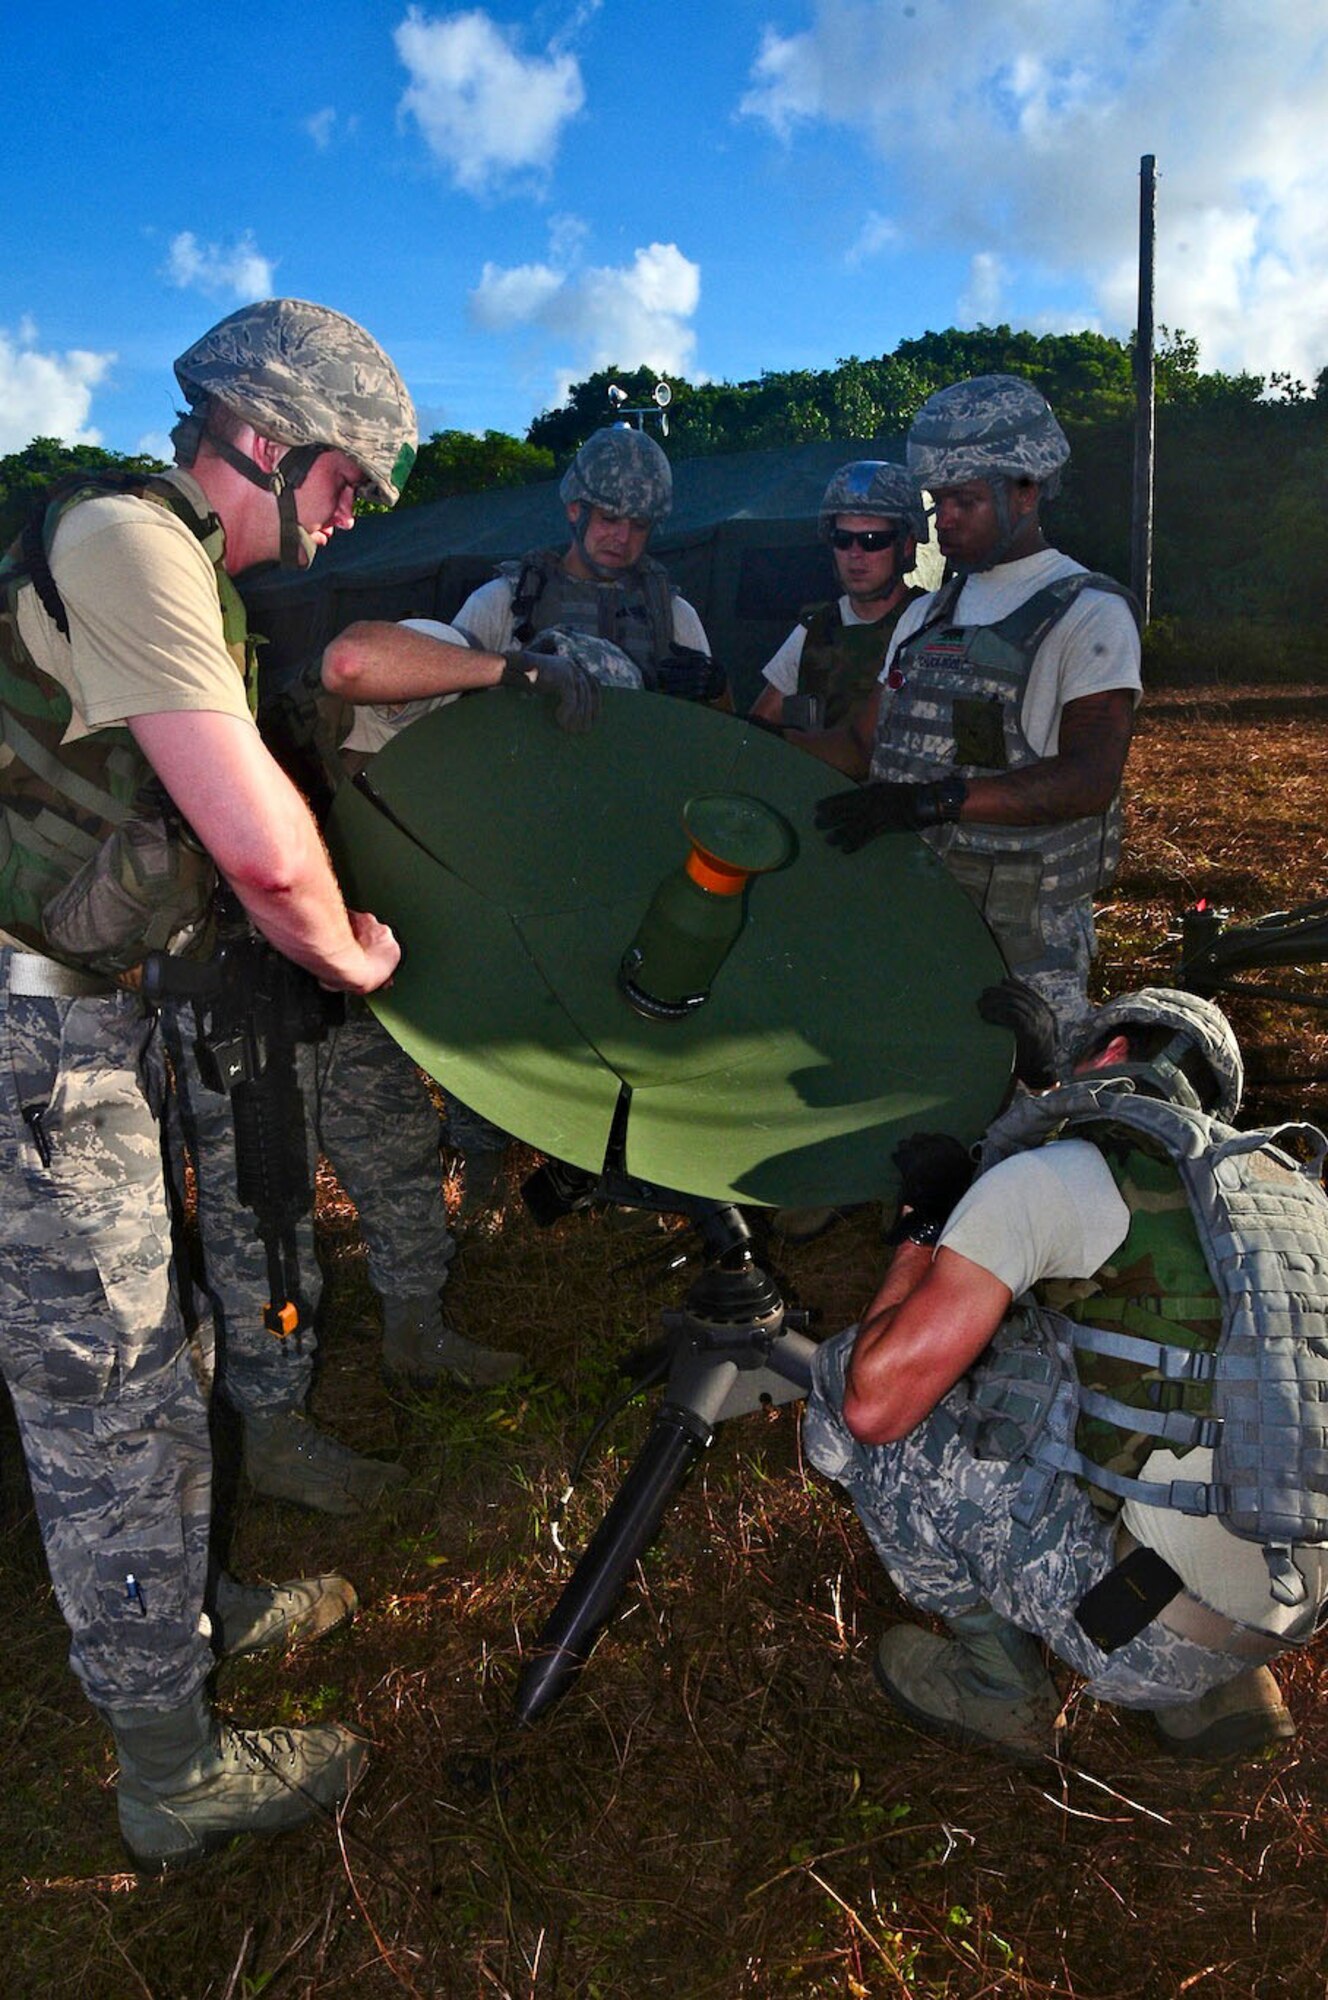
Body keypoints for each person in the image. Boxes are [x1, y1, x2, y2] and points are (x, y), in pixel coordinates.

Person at [0, 297, 416, 1867]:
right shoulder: (130, 543)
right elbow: (256, 843)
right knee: (106, 1399)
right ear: (269, 440)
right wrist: (351, 958)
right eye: (348, 478)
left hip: (88, 1026)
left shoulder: (176, 568)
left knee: (159, 1348)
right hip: (32, 1040)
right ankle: (168, 1769)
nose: (353, 510)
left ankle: (186, 1607)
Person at [803, 989, 1328, 1764]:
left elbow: (875, 1404)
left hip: (1140, 1634)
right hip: (1290, 1608)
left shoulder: (1058, 1176)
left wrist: (925, 1224)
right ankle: (1225, 1686)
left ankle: (999, 1685)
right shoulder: (1296, 1210)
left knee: (859, 1389)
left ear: (1111, 1054)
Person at [811, 375, 1141, 1051]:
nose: (945, 521)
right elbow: (858, 744)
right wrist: (740, 734)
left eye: (965, 499)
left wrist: (936, 801)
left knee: (1017, 1122)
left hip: (1020, 944)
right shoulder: (928, 614)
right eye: (937, 502)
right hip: (914, 918)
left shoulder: (1087, 612)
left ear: (1026, 488)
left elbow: (1089, 777)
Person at [748, 461, 927, 735]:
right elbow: (757, 730)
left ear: (906, 546)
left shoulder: (930, 624)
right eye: (842, 539)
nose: (855, 553)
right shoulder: (816, 631)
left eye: (871, 539)